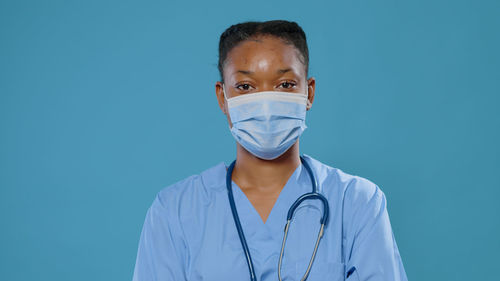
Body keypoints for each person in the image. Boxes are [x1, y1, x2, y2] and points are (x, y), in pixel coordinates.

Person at [132, 20, 408, 281]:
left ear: (309, 93)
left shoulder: (357, 202)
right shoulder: (175, 211)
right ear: (223, 97)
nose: (264, 102)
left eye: (285, 85)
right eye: (245, 87)